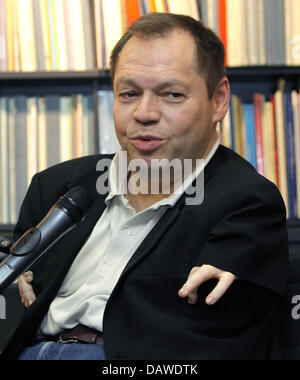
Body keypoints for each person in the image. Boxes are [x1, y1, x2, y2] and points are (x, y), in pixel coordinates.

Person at [1, 13, 288, 360]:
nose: (144, 113)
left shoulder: (247, 204)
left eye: (171, 94)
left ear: (219, 100)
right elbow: (16, 295)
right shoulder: (56, 186)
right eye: (129, 93)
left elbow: (215, 343)